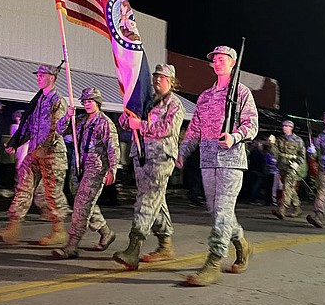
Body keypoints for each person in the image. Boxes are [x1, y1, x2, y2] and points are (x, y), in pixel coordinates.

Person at [177, 45, 259, 286]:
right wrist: (183, 153)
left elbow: (252, 124)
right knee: (216, 212)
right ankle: (243, 244)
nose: (218, 62)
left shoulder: (242, 93)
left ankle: (213, 262)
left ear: (233, 63)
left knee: (222, 211)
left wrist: (235, 136)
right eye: (215, 59)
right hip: (208, 159)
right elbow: (194, 129)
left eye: (223, 59)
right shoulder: (205, 96)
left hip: (232, 160)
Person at [0, 64, 70, 245]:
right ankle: (13, 228)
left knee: (52, 192)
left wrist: (44, 147)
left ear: (52, 78)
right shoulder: (38, 100)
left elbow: (57, 130)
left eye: (42, 75)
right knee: (23, 187)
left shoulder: (58, 101)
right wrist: (15, 143)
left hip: (52, 153)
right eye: (38, 75)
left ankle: (59, 230)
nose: (39, 78)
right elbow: (29, 126)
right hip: (34, 151)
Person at [114, 63, 185, 268]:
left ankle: (134, 247)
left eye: (161, 78)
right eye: (155, 77)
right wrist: (128, 117)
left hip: (161, 157)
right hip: (142, 155)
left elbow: (166, 129)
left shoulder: (175, 104)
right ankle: (165, 246)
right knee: (156, 200)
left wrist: (140, 125)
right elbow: (125, 122)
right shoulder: (146, 101)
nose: (156, 80)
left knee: (146, 199)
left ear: (171, 82)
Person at [51, 88, 119, 259]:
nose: (87, 104)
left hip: (95, 169)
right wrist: (67, 116)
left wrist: (113, 169)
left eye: (90, 101)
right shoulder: (79, 120)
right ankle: (106, 232)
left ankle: (72, 244)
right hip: (79, 167)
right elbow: (60, 130)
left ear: (98, 102)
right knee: (86, 203)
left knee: (81, 206)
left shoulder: (105, 123)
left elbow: (113, 148)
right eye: (85, 102)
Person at [268, 119, 306, 218]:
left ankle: (282, 209)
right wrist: (271, 144)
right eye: (283, 126)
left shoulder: (298, 140)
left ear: (291, 128)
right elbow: (275, 153)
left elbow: (302, 155)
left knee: (287, 187)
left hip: (291, 167)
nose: (284, 127)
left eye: (286, 126)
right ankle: (297, 208)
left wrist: (297, 163)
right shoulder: (280, 139)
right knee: (290, 188)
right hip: (282, 167)